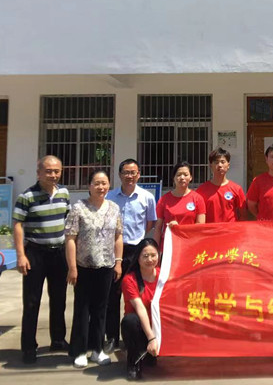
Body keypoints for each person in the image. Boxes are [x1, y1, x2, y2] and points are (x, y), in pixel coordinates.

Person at [12, 155, 70, 364]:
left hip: (59, 254)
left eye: (57, 171)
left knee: (59, 299)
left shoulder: (64, 193)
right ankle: (29, 347)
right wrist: (21, 255)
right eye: (48, 171)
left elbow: (67, 222)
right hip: (35, 254)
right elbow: (18, 224)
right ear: (38, 173)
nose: (53, 175)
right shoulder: (27, 196)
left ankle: (58, 340)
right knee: (31, 302)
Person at [64, 170, 123, 368]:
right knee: (82, 309)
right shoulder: (78, 208)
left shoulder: (114, 208)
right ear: (89, 185)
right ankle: (80, 351)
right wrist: (72, 267)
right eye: (97, 183)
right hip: (83, 266)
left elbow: (118, 236)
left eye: (104, 183)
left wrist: (118, 262)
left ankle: (97, 350)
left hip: (106, 266)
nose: (101, 187)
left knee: (101, 309)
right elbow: (70, 238)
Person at [104, 158, 157, 353]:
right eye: (126, 172)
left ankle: (133, 335)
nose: (129, 176)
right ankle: (111, 337)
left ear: (139, 175)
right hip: (114, 251)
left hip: (137, 252)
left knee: (138, 295)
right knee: (112, 296)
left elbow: (150, 223)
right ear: (119, 175)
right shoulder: (110, 197)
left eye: (133, 172)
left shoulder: (147, 197)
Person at [121, 238, 162, 381]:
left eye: (153, 255)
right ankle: (133, 363)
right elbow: (140, 308)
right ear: (137, 258)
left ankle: (150, 353)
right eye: (145, 256)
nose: (150, 259)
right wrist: (151, 338)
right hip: (140, 330)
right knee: (130, 320)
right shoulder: (129, 280)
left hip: (158, 327)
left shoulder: (163, 276)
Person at [153, 161, 206, 243]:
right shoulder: (164, 200)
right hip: (169, 244)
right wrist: (155, 247)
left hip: (189, 243)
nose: (182, 177)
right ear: (173, 178)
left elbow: (200, 226)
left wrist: (180, 229)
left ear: (191, 177)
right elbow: (158, 228)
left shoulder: (197, 199)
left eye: (185, 174)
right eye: (178, 175)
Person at [195, 148, 246, 223]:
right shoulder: (201, 190)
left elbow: (243, 214)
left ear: (228, 165)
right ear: (211, 166)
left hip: (230, 229)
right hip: (211, 229)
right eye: (216, 162)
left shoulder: (236, 189)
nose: (219, 165)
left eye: (222, 162)